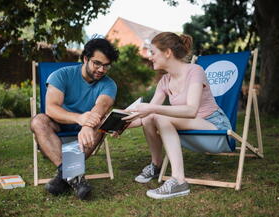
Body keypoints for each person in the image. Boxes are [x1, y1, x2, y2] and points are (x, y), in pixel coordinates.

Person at [123, 32, 232, 199]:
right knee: (152, 117)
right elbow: (146, 116)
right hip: (190, 133)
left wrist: (152, 109)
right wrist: (118, 125)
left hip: (216, 131)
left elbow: (191, 110)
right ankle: (156, 164)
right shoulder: (164, 81)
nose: (150, 57)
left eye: (153, 52)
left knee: (158, 115)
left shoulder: (195, 71)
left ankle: (179, 181)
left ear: (167, 52)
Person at [30, 37, 119, 200]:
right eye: (97, 63)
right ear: (85, 58)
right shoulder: (61, 75)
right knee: (38, 121)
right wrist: (79, 119)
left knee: (102, 120)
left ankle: (64, 175)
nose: (101, 69)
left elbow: (101, 107)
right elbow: (51, 108)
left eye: (106, 66)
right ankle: (75, 177)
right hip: (58, 128)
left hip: (86, 132)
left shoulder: (109, 84)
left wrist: (86, 124)